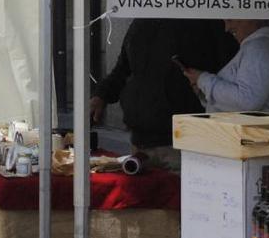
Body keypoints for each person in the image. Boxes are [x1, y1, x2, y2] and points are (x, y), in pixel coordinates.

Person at [90, 19, 238, 171]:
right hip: (141, 139)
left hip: (183, 140)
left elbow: (229, 74)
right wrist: (101, 96)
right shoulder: (141, 22)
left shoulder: (205, 21)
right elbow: (123, 69)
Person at [182, 19, 269, 114]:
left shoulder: (261, 48)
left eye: (230, 19)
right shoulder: (260, 47)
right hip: (251, 139)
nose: (226, 28)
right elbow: (241, 102)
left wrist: (203, 80)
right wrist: (204, 91)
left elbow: (247, 101)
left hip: (254, 141)